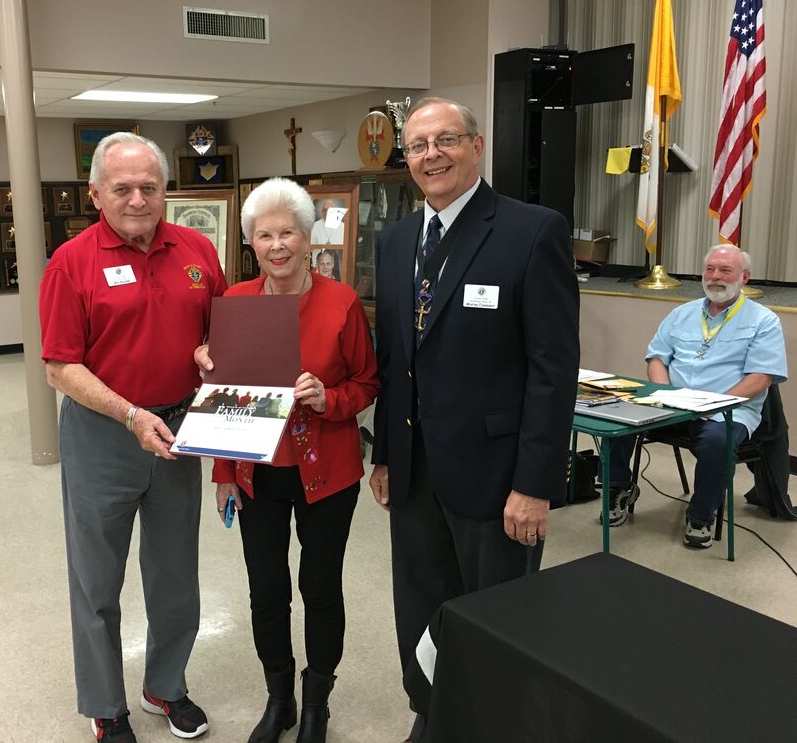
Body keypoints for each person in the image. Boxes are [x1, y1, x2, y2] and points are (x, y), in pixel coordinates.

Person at [369, 97, 579, 742]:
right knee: (422, 607)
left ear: (477, 146)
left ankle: (494, 726)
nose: (431, 154)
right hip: (414, 471)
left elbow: (553, 369)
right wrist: (382, 453)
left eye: (446, 140)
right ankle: (433, 714)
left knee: (499, 617)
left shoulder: (531, 230)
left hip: (498, 477)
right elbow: (396, 356)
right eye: (418, 146)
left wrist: (536, 482)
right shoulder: (396, 239)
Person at [39, 132, 227, 743]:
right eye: (122, 188)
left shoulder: (197, 249)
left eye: (150, 186)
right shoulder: (71, 262)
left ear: (166, 190)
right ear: (96, 194)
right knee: (97, 579)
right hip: (104, 436)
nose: (138, 199)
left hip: (179, 430)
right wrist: (129, 415)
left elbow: (223, 333)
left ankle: (165, 686)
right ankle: (105, 704)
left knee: (175, 573)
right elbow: (60, 367)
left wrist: (211, 357)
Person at [195, 177, 378, 743]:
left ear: (307, 238)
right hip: (258, 473)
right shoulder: (235, 305)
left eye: (288, 233)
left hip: (328, 471)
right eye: (265, 235)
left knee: (320, 587)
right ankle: (280, 699)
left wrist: (330, 398)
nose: (278, 245)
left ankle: (317, 701)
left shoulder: (341, 303)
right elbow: (223, 396)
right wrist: (223, 473)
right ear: (251, 242)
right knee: (266, 590)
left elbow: (368, 383)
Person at [602, 244, 787, 547]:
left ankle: (700, 516)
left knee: (718, 440)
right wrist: (664, 393)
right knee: (620, 416)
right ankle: (619, 489)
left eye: (725, 270)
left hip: (728, 410)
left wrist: (715, 403)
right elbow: (657, 359)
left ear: (744, 277)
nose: (715, 277)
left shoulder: (763, 320)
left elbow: (762, 377)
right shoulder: (682, 313)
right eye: (710, 269)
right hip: (673, 405)